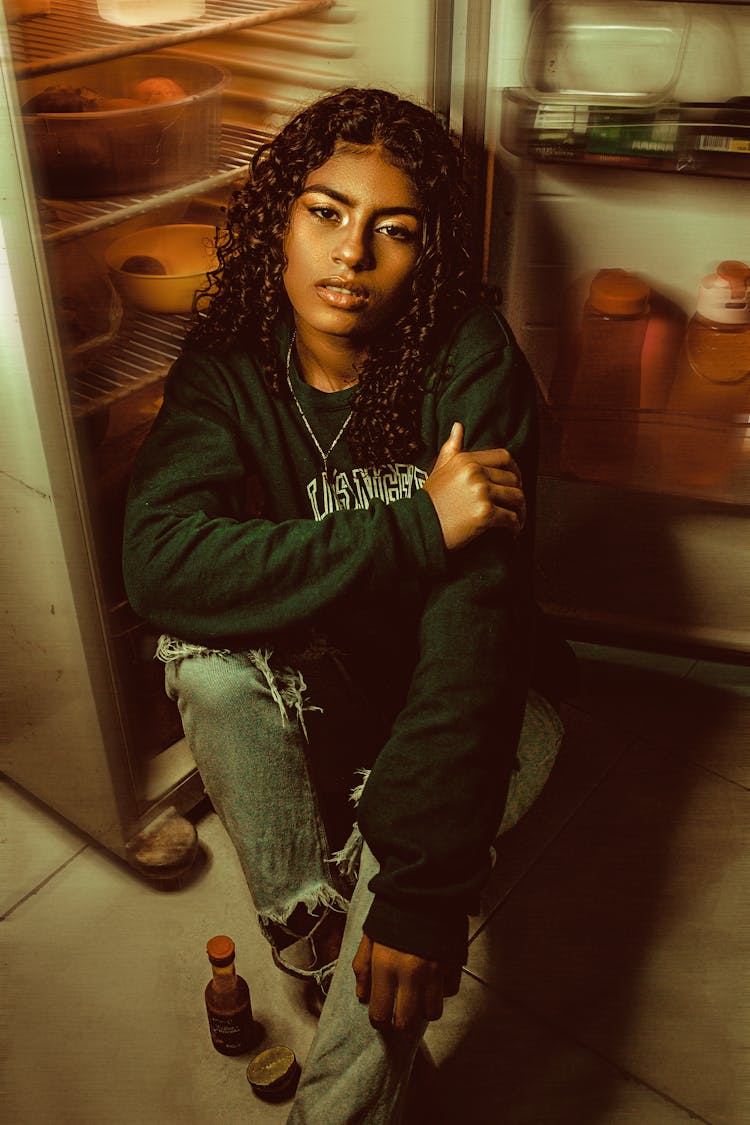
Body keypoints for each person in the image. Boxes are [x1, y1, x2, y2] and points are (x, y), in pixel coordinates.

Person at [122, 86, 564, 1123]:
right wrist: (414, 525)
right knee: (201, 651)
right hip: (326, 691)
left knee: (401, 886)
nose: (350, 256)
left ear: (430, 253)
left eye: (391, 231)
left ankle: (343, 1051)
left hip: (491, 710)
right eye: (325, 213)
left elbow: (477, 636)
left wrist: (418, 890)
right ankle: (312, 945)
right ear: (281, 217)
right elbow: (159, 565)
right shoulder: (231, 362)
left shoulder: (471, 363)